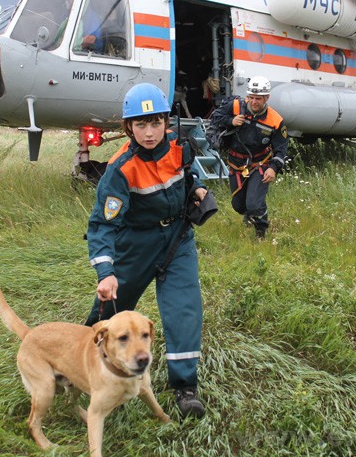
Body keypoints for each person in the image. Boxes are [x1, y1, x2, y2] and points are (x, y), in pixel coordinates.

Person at [84, 83, 209, 418]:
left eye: (155, 123)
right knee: (109, 313)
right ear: (129, 127)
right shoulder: (119, 170)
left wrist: (197, 191)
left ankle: (185, 388)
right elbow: (102, 226)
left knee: (184, 311)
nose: (150, 132)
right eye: (141, 125)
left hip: (177, 241)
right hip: (136, 246)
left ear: (166, 123)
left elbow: (188, 176)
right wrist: (106, 273)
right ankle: (81, 368)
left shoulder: (179, 147)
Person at [209, 76, 288, 240]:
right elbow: (216, 118)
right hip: (236, 164)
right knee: (238, 206)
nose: (253, 102)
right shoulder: (236, 106)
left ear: (267, 98)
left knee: (254, 204)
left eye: (258, 99)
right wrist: (231, 121)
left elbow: (281, 149)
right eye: (250, 97)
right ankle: (250, 216)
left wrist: (273, 168)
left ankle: (261, 232)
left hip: (260, 164)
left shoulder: (275, 121)